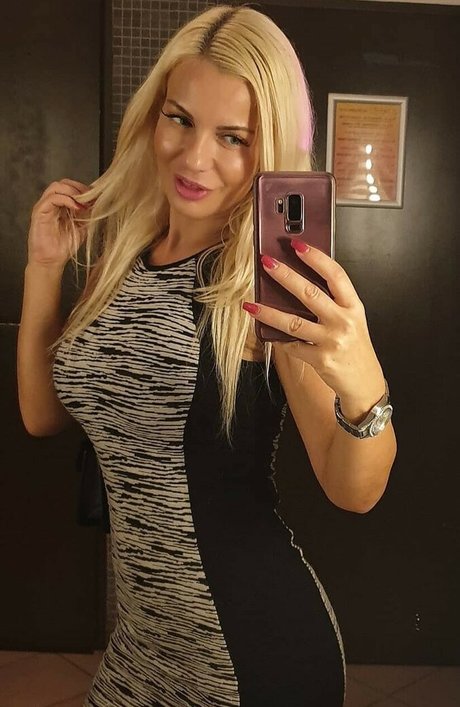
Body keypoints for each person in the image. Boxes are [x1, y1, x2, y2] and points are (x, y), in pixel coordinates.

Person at [17, 5, 397, 706]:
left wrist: (363, 385)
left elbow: (354, 490)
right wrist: (44, 267)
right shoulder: (124, 251)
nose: (195, 158)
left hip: (251, 651)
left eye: (234, 137)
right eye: (180, 119)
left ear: (269, 148)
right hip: (142, 641)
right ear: (152, 116)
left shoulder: (266, 281)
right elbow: (43, 414)